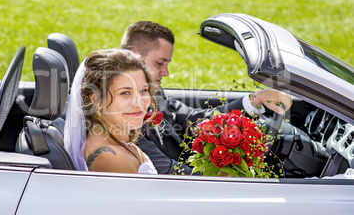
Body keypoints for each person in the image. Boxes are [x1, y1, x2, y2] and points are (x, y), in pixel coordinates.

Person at [120, 21, 292, 175]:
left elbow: (191, 120)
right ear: (135, 56)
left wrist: (252, 101)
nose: (166, 72)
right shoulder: (122, 114)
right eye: (159, 63)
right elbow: (165, 169)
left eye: (167, 64)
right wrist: (222, 178)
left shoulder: (153, 91)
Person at [64, 48, 158, 174]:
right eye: (125, 93)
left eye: (143, 90)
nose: (139, 103)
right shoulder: (108, 156)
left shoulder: (117, 138)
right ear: (97, 100)